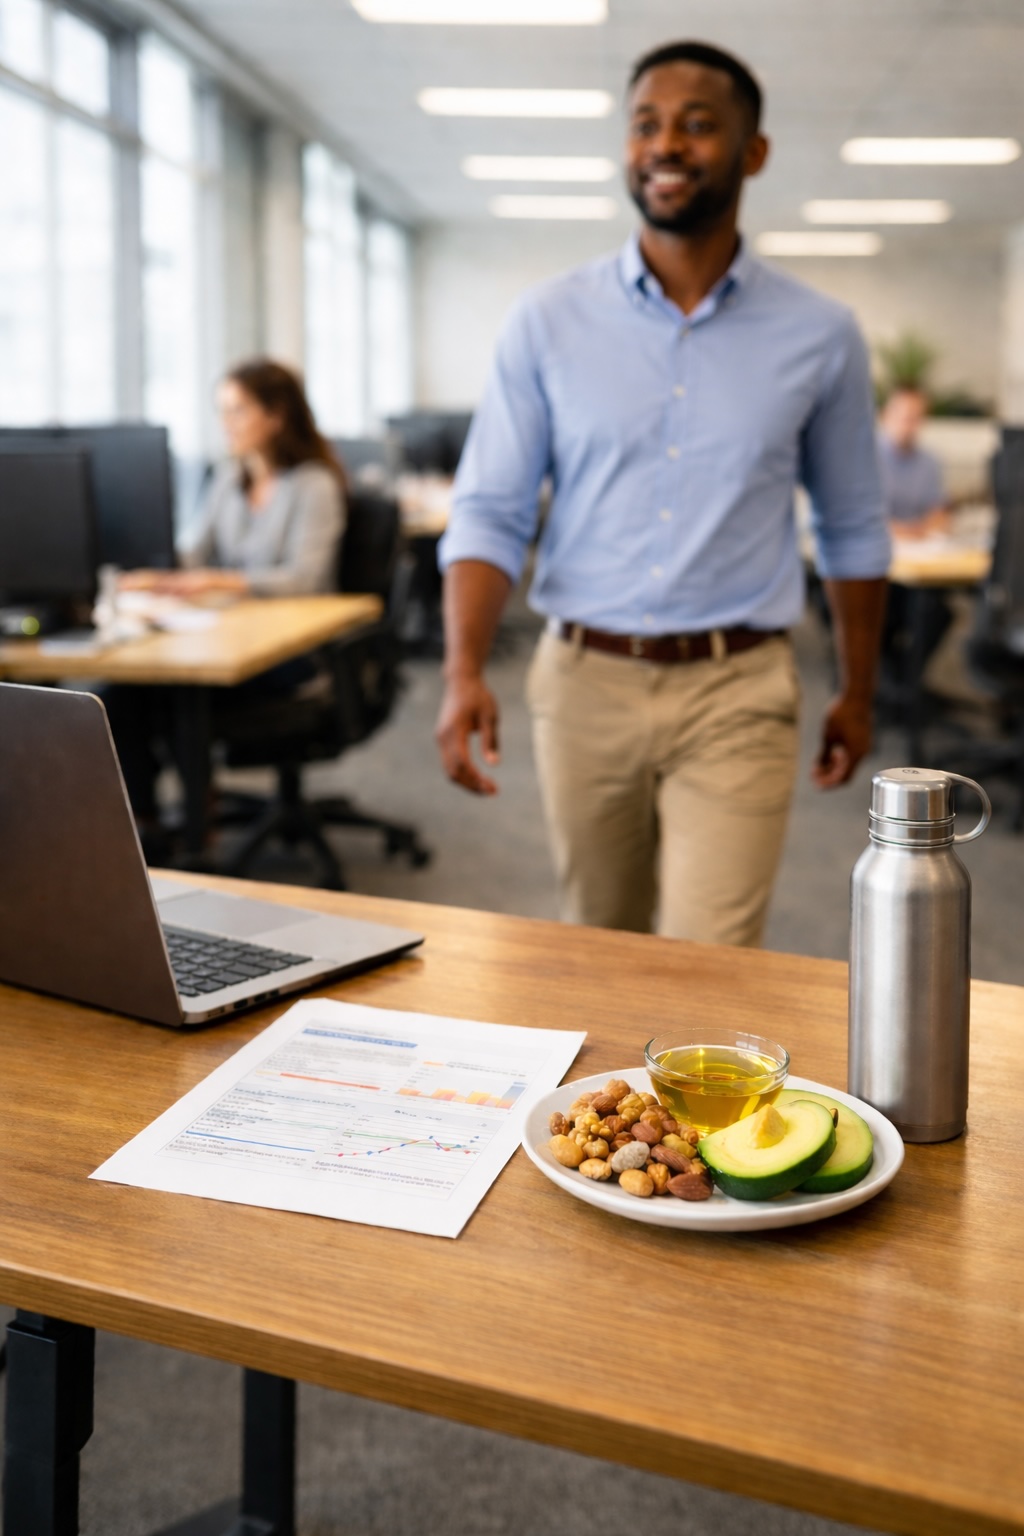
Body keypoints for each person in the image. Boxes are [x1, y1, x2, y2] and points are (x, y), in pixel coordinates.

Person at [435, 39, 891, 948]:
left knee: (708, 967)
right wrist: (460, 670)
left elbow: (851, 526)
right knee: (597, 944)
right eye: (646, 125)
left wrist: (859, 688)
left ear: (752, 152)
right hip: (582, 681)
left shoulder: (822, 334)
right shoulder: (548, 319)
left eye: (697, 124)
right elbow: (491, 508)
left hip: (739, 687)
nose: (665, 145)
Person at [108, 359, 346, 851]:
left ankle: (200, 835)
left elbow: (305, 580)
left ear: (276, 416)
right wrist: (159, 571)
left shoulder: (314, 485)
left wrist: (216, 580)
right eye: (222, 412)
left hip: (291, 650)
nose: (226, 424)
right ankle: (145, 823)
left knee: (178, 695)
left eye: (238, 411)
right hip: (229, 632)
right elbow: (193, 553)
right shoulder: (228, 479)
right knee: (120, 691)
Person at [876, 386, 953, 699]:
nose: (910, 424)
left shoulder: (929, 462)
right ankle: (886, 684)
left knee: (937, 612)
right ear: (885, 417)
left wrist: (929, 524)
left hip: (916, 564)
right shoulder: (864, 457)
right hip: (876, 569)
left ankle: (903, 684)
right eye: (903, 417)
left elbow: (940, 511)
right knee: (879, 614)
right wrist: (903, 530)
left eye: (916, 418)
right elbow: (859, 515)